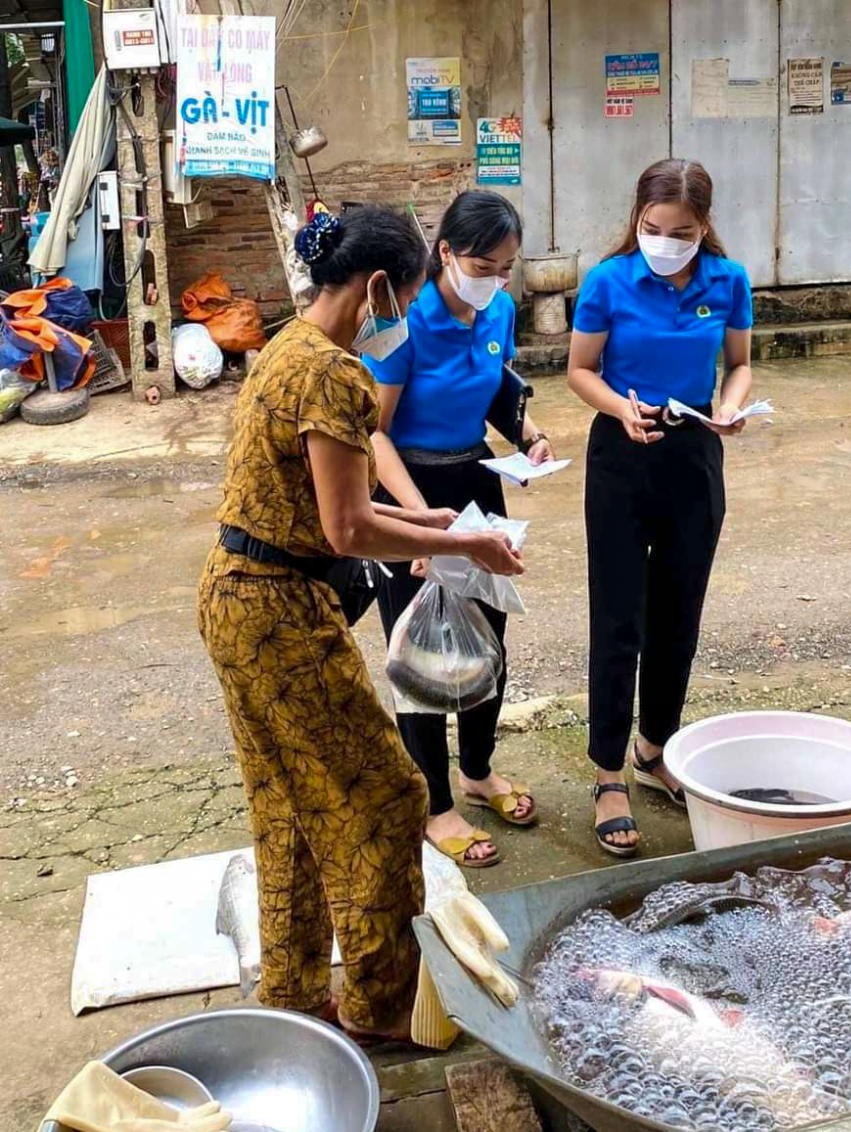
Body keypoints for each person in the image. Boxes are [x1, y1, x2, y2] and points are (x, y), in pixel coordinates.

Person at [197, 205, 522, 1044]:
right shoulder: (335, 375)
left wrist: (451, 532)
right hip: (279, 613)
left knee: (292, 802)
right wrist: (464, 541)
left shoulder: (282, 346)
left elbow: (350, 511)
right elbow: (349, 528)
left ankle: (297, 991)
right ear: (380, 286)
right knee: (388, 796)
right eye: (406, 297)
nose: (403, 318)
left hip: (236, 595)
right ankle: (382, 1007)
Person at [566, 158, 755, 857]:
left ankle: (655, 748)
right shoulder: (607, 282)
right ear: (636, 220)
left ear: (704, 226)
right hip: (621, 452)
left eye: (680, 230)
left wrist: (730, 410)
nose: (664, 241)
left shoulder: (727, 281)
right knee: (619, 618)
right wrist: (622, 409)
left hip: (694, 453)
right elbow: (580, 371)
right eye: (651, 228)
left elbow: (738, 363)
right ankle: (608, 772)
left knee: (680, 610)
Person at [366, 190, 551, 869]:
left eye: (507, 268)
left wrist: (527, 434)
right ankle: (434, 804)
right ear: (444, 252)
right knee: (420, 651)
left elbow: (497, 385)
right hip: (408, 491)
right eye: (484, 264)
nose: (496, 280)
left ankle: (476, 770)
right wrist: (416, 521)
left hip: (476, 481)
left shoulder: (498, 306)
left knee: (486, 635)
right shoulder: (396, 321)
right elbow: (373, 434)